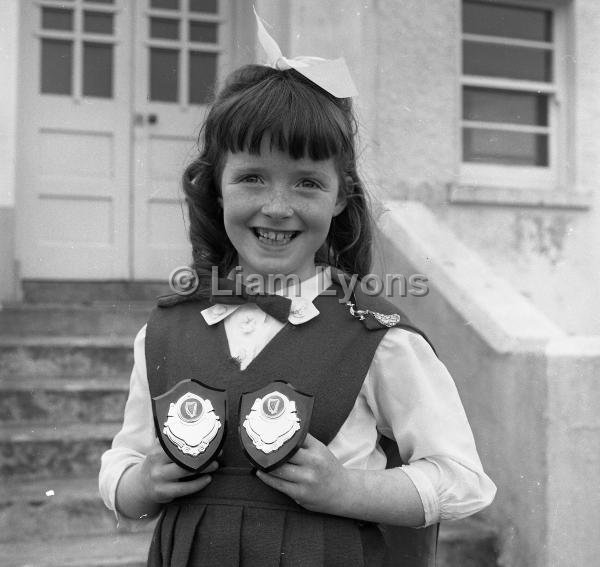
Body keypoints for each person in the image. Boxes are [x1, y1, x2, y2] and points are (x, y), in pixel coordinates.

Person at [99, 16, 496, 567]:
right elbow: (123, 463)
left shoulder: (377, 339)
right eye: (252, 177)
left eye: (307, 182)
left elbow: (462, 480)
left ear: (340, 197)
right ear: (216, 186)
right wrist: (142, 483)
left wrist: (347, 490)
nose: (278, 206)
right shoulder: (164, 333)